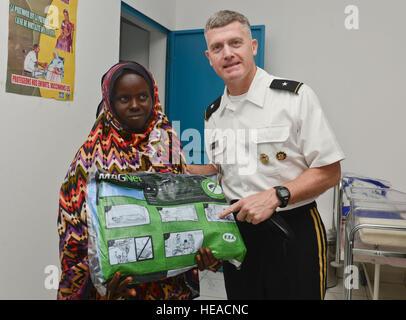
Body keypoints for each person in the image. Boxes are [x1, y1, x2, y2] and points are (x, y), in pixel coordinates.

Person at [188, 10, 345, 299]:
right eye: (217, 47)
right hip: (237, 234)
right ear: (209, 57)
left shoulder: (294, 98)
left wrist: (276, 195)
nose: (227, 53)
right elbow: (222, 170)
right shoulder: (213, 114)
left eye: (236, 43)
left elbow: (330, 171)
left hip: (292, 229)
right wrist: (184, 173)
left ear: (253, 46)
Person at [58, 61, 217, 300]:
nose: (135, 105)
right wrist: (100, 285)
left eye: (142, 96)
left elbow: (185, 209)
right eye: (124, 98)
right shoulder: (90, 157)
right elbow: (76, 234)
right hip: (119, 291)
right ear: (110, 103)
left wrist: (201, 251)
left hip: (169, 289)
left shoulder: (167, 141)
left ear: (153, 97)